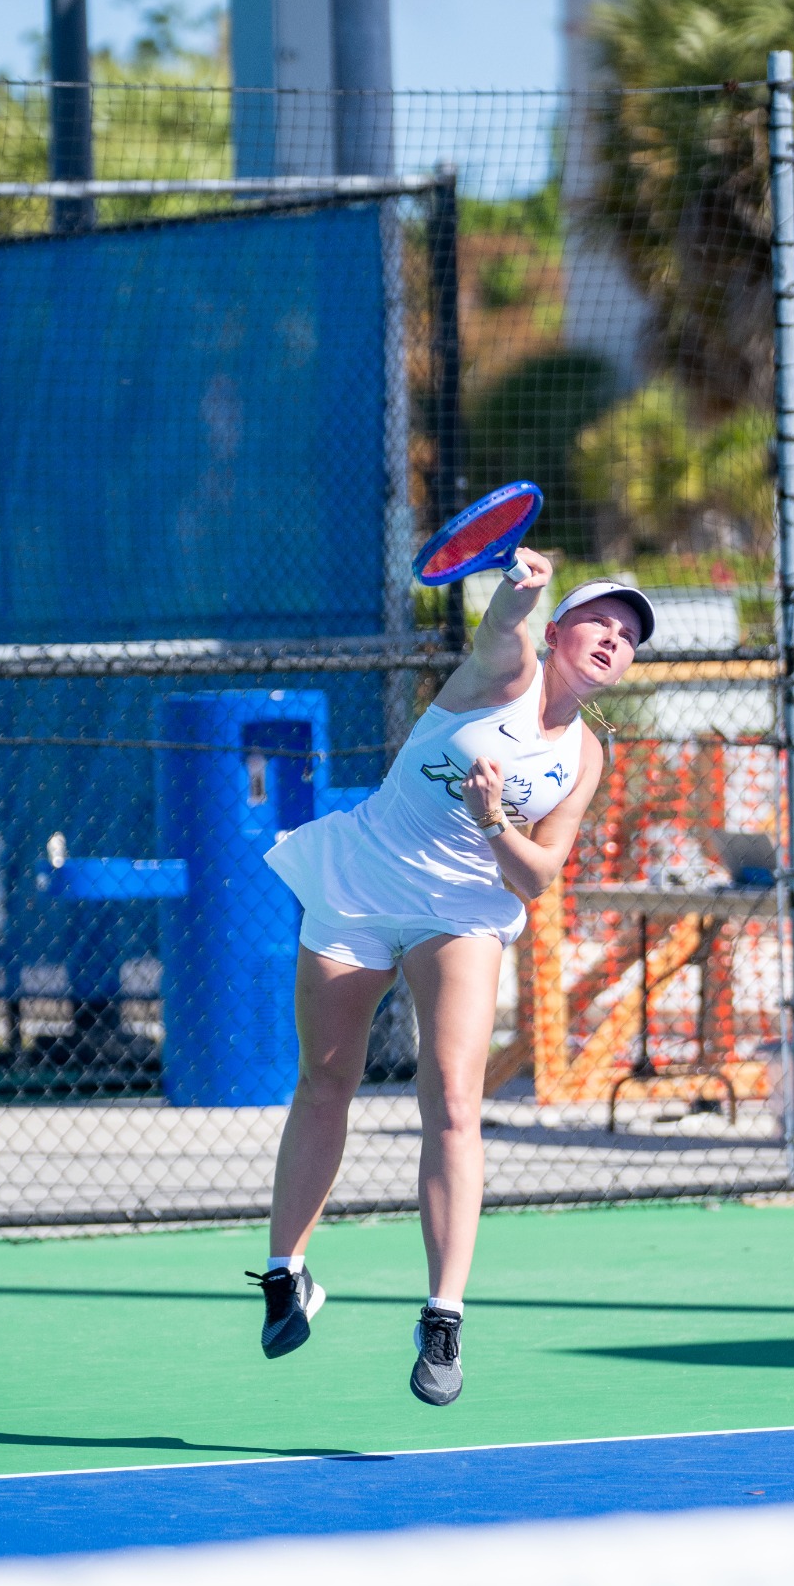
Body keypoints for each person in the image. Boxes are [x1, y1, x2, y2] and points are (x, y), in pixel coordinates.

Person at [251, 557, 656, 1405]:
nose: (614, 639)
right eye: (600, 623)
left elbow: (538, 874)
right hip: (359, 884)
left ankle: (442, 1317)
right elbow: (502, 621)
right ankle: (286, 1273)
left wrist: (493, 819)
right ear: (556, 635)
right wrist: (522, 584)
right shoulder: (501, 671)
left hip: (462, 910)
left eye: (629, 636)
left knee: (454, 1100)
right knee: (325, 1079)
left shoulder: (583, 757)